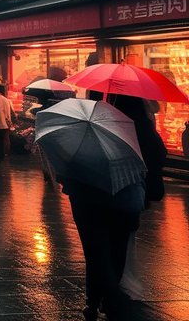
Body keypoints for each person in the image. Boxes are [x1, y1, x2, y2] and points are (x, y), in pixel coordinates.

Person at [62, 94, 166, 321]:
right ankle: (108, 299)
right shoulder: (142, 129)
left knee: (95, 251)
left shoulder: (99, 123)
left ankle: (96, 300)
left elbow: (72, 158)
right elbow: (158, 156)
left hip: (88, 198)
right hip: (124, 199)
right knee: (117, 249)